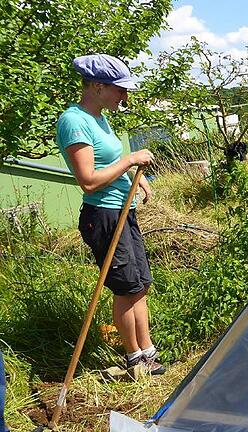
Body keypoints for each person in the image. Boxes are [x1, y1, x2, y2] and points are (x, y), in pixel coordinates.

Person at [56, 54, 164, 375]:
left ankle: (148, 350)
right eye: (120, 90)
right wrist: (130, 161)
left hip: (123, 210)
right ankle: (134, 358)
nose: (124, 97)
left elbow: (110, 162)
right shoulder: (75, 121)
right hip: (102, 216)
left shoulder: (101, 118)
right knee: (126, 287)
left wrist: (137, 178)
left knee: (141, 283)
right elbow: (89, 181)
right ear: (98, 86)